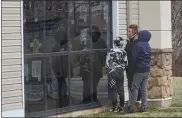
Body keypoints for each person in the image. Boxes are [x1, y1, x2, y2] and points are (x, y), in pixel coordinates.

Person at [128, 30, 152, 113]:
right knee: (144, 89)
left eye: (138, 35)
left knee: (135, 88)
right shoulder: (148, 45)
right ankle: (144, 107)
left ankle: (132, 108)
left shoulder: (138, 45)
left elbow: (134, 58)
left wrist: (131, 68)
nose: (137, 36)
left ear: (141, 36)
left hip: (139, 70)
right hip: (147, 69)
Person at [106, 37, 128, 113]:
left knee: (113, 89)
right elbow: (126, 63)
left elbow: (107, 63)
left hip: (112, 73)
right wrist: (122, 69)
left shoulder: (110, 51)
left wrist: (109, 70)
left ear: (114, 43)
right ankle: (121, 107)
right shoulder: (124, 52)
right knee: (121, 89)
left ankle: (114, 106)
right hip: (120, 72)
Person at [125, 24, 141, 110]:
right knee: (131, 86)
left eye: (129, 31)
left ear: (135, 32)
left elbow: (134, 57)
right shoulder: (130, 42)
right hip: (129, 68)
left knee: (135, 86)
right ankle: (133, 103)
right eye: (128, 31)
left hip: (135, 68)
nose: (128, 33)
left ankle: (136, 103)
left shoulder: (136, 43)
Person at [52, 29, 68, 108]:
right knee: (61, 86)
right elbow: (54, 60)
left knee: (62, 86)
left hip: (63, 70)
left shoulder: (66, 46)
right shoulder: (56, 47)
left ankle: (63, 103)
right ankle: (62, 104)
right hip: (59, 70)